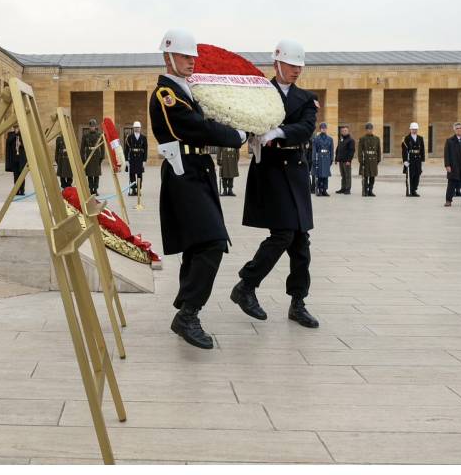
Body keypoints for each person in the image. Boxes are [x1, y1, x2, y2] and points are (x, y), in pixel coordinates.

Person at [150, 27, 249, 349]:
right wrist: (236, 136)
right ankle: (188, 313)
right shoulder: (166, 94)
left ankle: (186, 307)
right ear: (168, 57)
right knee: (212, 243)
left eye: (192, 56)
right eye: (184, 56)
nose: (191, 61)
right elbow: (194, 128)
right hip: (184, 172)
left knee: (197, 246)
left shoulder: (189, 91)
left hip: (198, 170)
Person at [234, 39, 320, 328]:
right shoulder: (260, 93)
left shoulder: (306, 98)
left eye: (299, 66)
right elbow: (245, 119)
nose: (296, 70)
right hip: (270, 170)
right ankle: (247, 284)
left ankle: (298, 302)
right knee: (283, 233)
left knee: (300, 240)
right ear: (277, 64)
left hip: (295, 169)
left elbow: (306, 128)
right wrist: (257, 133)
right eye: (291, 65)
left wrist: (278, 132)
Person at [80, 119, 104, 195]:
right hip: (89, 156)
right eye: (91, 126)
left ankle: (95, 189)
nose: (92, 127)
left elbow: (102, 147)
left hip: (97, 156)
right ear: (89, 127)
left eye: (93, 126)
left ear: (95, 126)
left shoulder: (99, 135)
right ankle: (91, 189)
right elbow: (82, 148)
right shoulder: (85, 136)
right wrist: (82, 158)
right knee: (90, 174)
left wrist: (102, 157)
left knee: (96, 174)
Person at [402, 122, 425, 197]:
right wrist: (405, 160)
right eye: (413, 129)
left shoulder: (420, 138)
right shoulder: (406, 138)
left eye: (415, 129)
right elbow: (404, 150)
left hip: (418, 159)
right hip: (410, 159)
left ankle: (414, 190)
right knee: (410, 175)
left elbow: (422, 150)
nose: (414, 130)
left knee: (417, 175)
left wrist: (422, 160)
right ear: (410, 129)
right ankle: (409, 191)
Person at [358, 123, 381, 196]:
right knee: (365, 177)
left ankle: (370, 190)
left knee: (372, 177)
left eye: (370, 129)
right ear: (366, 130)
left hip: (373, 160)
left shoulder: (376, 139)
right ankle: (365, 190)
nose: (369, 130)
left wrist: (378, 159)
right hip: (366, 160)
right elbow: (360, 151)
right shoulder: (362, 139)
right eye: (368, 129)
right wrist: (361, 160)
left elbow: (378, 150)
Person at [312, 122, 335, 196]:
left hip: (327, 158)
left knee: (326, 175)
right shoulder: (316, 139)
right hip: (319, 158)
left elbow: (331, 150)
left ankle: (324, 190)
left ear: (326, 129)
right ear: (320, 129)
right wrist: (314, 159)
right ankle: (319, 189)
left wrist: (331, 158)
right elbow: (314, 150)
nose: (323, 129)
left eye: (325, 128)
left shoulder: (330, 139)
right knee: (319, 175)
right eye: (322, 128)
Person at [125, 121, 147, 196]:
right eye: (135, 127)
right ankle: (133, 189)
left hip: (140, 158)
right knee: (132, 174)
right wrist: (126, 160)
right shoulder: (129, 137)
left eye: (138, 127)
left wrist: (144, 160)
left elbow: (145, 149)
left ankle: (138, 189)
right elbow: (126, 149)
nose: (137, 129)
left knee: (139, 174)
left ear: (140, 128)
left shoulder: (143, 138)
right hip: (132, 158)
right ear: (133, 128)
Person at [5, 125, 27, 196]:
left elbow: (27, 145)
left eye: (17, 128)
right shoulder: (11, 134)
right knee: (16, 175)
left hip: (21, 159)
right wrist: (15, 134)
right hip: (14, 159)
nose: (16, 129)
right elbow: (8, 141)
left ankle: (22, 190)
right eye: (15, 128)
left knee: (22, 176)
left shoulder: (23, 134)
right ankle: (16, 191)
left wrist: (21, 144)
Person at [335, 125, 355, 194]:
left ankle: (347, 189)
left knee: (347, 175)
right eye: (343, 131)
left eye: (345, 130)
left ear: (348, 131)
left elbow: (351, 151)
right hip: (341, 160)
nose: (344, 132)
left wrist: (349, 160)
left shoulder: (351, 140)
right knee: (343, 175)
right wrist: (336, 158)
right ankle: (343, 188)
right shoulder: (341, 139)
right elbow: (338, 149)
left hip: (346, 161)